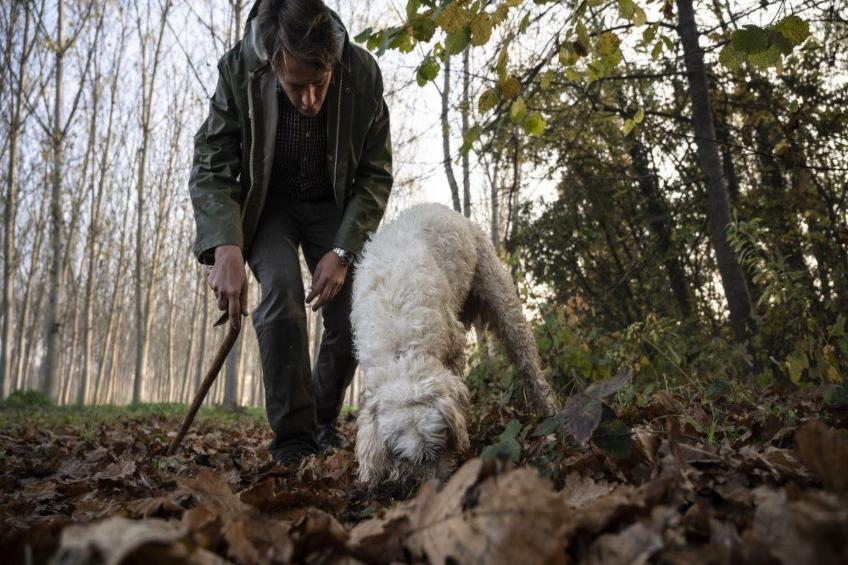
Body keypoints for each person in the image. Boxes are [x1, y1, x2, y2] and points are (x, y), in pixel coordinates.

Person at [188, 0, 393, 464]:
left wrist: (342, 251)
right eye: (296, 86)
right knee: (280, 288)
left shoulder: (362, 73)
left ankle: (321, 419)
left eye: (320, 84)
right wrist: (225, 245)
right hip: (269, 205)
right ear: (273, 60)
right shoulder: (239, 67)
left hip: (333, 206)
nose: (310, 100)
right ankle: (294, 440)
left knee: (350, 313)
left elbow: (375, 174)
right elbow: (213, 162)